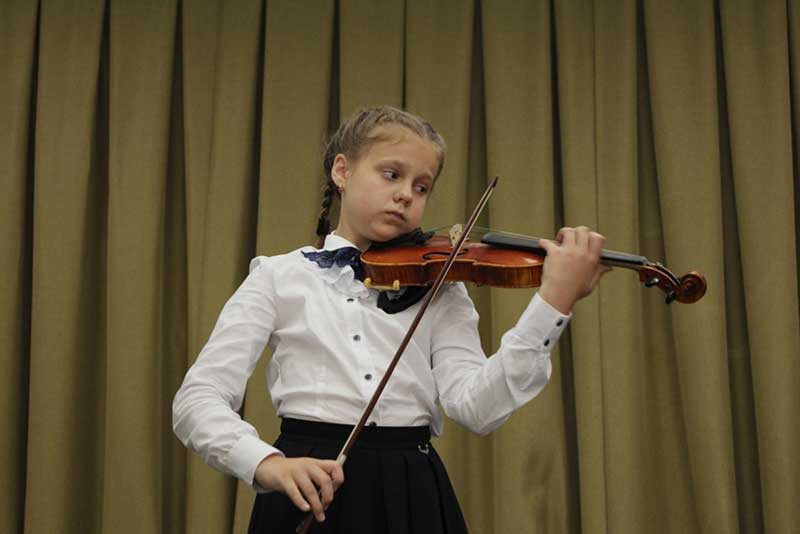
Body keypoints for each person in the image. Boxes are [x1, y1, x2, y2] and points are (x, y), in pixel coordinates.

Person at [172, 106, 608, 533]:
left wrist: (553, 302)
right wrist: (265, 463)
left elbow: (478, 407)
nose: (406, 195)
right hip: (308, 480)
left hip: (412, 491)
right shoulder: (278, 277)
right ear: (342, 172)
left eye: (422, 188)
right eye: (391, 174)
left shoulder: (441, 288)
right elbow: (197, 400)